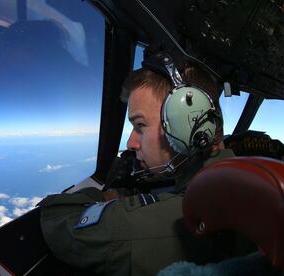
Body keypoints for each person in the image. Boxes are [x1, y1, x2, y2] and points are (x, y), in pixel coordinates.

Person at [38, 53, 247, 275]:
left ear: (187, 126)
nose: (130, 143)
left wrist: (106, 197)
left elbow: (56, 219)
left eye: (140, 125)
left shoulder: (181, 219)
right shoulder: (237, 179)